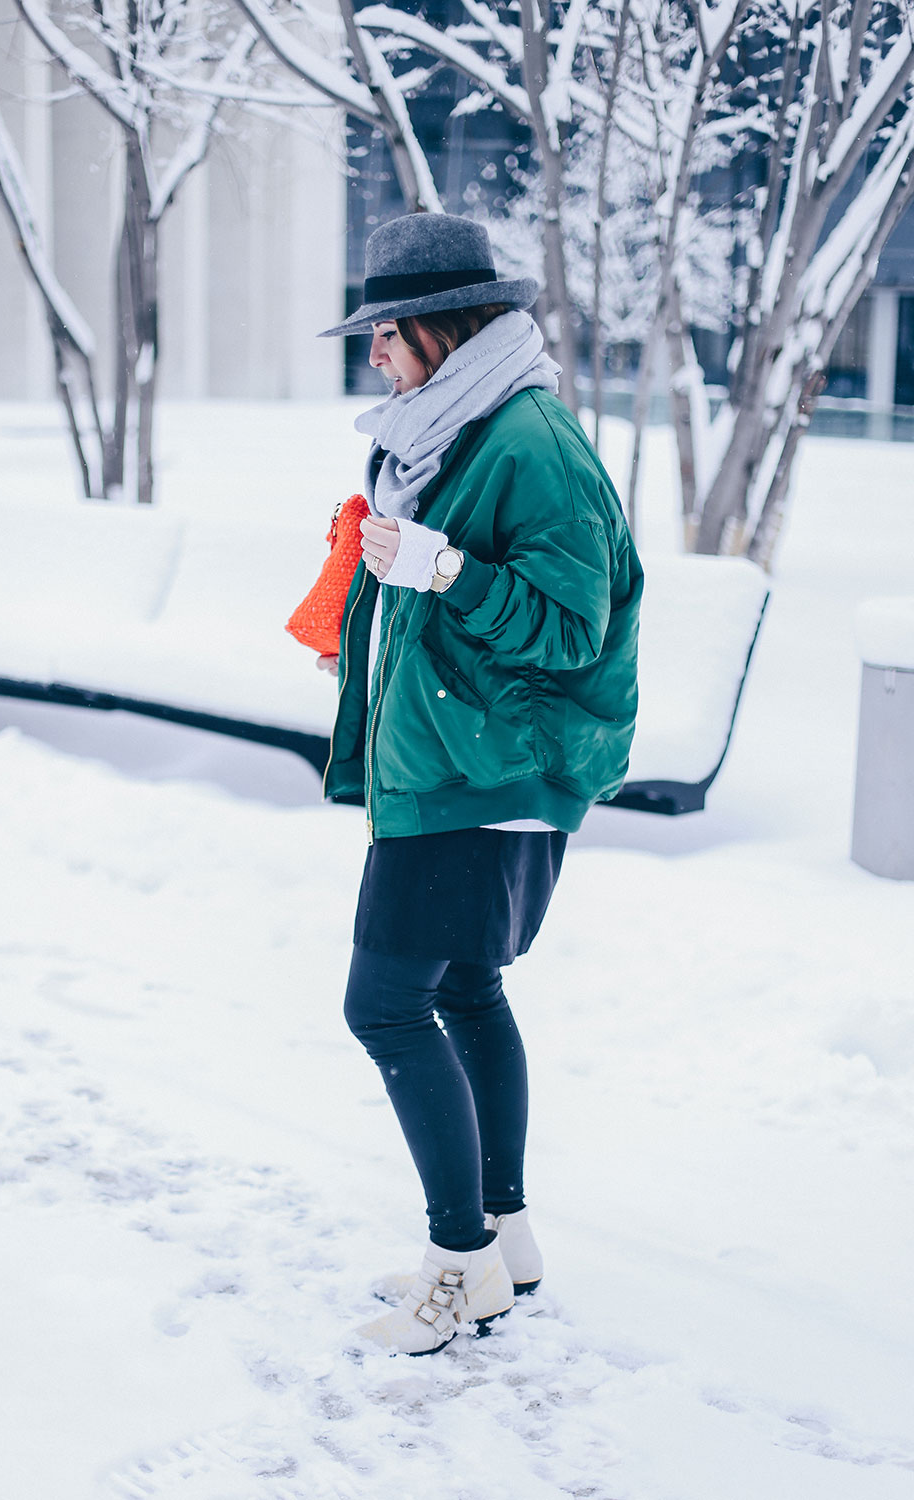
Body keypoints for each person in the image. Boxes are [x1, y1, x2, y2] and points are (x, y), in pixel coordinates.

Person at [317, 213, 642, 1355]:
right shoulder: (457, 433)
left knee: (387, 1004)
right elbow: (447, 588)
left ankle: (459, 1264)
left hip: (486, 766)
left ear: (444, 330)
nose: (373, 357)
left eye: (386, 334)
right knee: (460, 992)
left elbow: (566, 626)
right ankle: (500, 1236)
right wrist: (364, 625)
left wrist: (442, 568)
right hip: (462, 757)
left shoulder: (531, 444)